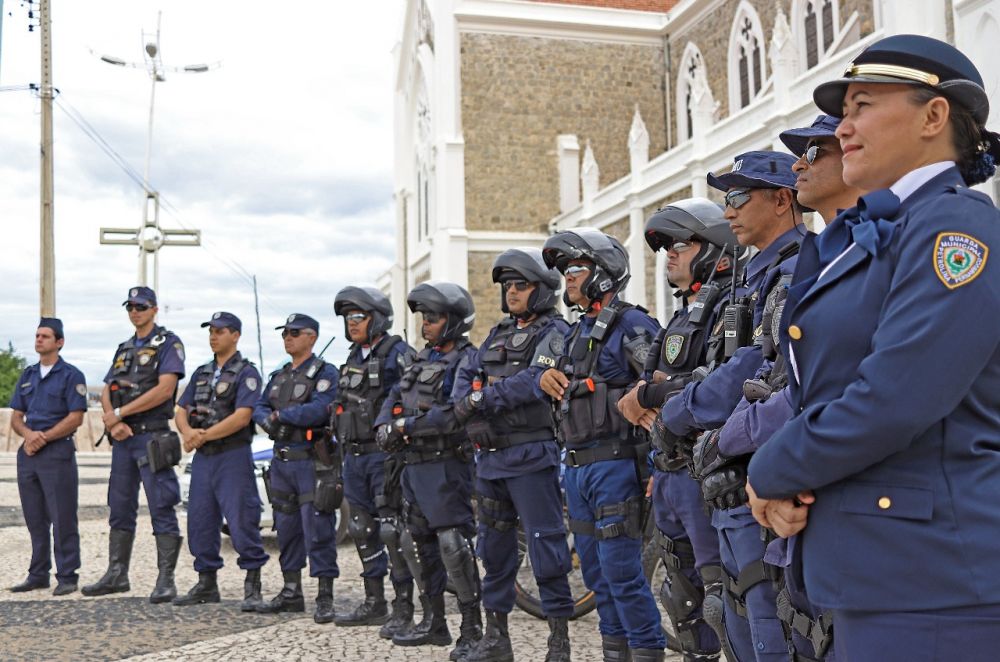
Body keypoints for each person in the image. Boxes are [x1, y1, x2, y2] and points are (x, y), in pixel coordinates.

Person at [747, 34, 1000, 662]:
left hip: (933, 582)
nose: (843, 127)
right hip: (882, 570)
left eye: (861, 106)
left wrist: (771, 471)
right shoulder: (886, 229)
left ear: (933, 116)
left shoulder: (953, 226)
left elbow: (894, 398)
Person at [698, 115, 864, 661]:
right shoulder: (822, 257)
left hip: (823, 483)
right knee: (747, 617)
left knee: (796, 630)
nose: (799, 166)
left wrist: (730, 439)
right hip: (775, 478)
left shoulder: (837, 258)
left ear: (778, 202)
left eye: (813, 153)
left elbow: (813, 388)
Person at [655, 153, 805, 662]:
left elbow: (755, 367)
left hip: (762, 475)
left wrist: (677, 412)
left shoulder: (795, 270)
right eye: (726, 199)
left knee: (771, 622)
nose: (728, 211)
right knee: (731, 613)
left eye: (739, 196)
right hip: (726, 475)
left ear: (782, 200)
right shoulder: (752, 277)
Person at [619, 198, 745, 662]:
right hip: (669, 469)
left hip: (707, 472)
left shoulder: (733, 306)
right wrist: (642, 396)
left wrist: (653, 393)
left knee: (723, 598)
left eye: (682, 244)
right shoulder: (680, 315)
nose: (670, 254)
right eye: (667, 247)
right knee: (681, 596)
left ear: (715, 249)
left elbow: (721, 382)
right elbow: (643, 384)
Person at [538, 228, 665, 662]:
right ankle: (615, 654)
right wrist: (544, 378)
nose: (568, 278)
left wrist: (659, 464)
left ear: (605, 273)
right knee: (596, 577)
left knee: (622, 573)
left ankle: (647, 650)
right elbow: (560, 387)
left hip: (617, 465)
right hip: (577, 469)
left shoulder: (632, 324)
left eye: (576, 268)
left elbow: (660, 387)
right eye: (566, 271)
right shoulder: (575, 332)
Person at [451, 248, 574, 662]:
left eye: (521, 285)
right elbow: (465, 381)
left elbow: (534, 381)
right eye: (507, 286)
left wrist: (480, 400)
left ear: (542, 289)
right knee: (494, 551)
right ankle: (496, 639)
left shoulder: (555, 331)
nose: (512, 292)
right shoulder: (497, 333)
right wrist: (473, 415)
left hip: (531, 457)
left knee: (546, 547)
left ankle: (559, 642)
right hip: (490, 461)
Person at [374, 281, 481, 661]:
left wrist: (405, 427)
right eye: (424, 318)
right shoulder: (420, 360)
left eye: (433, 318)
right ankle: (433, 621)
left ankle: (472, 627)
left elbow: (454, 413)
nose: (426, 325)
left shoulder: (468, 360)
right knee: (413, 541)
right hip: (413, 465)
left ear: (453, 320)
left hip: (446, 465)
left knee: (453, 544)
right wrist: (384, 427)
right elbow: (392, 399)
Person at [83, 287, 186, 603]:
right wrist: (113, 421)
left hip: (152, 436)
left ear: (154, 309)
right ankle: (117, 574)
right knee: (119, 506)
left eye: (141, 306)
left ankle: (166, 580)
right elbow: (107, 388)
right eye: (130, 307)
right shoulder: (124, 348)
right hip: (124, 439)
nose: (134, 312)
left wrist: (121, 413)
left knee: (161, 505)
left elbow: (165, 390)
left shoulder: (168, 344)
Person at [331, 286, 417, 636]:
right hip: (353, 456)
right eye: (347, 317)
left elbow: (414, 398)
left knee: (391, 530)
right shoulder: (352, 357)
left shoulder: (398, 353)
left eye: (358, 317)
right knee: (361, 528)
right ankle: (374, 601)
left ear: (377, 318)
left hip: (385, 457)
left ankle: (404, 606)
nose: (351, 323)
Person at [172, 312, 269, 611]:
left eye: (220, 331)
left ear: (235, 335)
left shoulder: (247, 373)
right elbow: (181, 409)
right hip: (204, 458)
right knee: (200, 519)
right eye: (211, 331)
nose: (213, 336)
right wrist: (188, 432)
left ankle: (252, 584)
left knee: (241, 519)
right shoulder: (201, 372)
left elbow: (242, 417)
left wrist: (202, 436)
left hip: (232, 456)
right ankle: (206, 582)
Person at [252, 314, 340, 623]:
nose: (287, 338)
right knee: (286, 530)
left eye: (294, 332)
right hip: (282, 462)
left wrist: (282, 416)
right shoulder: (279, 375)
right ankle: (291, 592)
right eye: (284, 333)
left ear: (311, 337)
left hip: (311, 461)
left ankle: (325, 597)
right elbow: (260, 407)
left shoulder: (325, 373)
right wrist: (268, 420)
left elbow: (320, 409)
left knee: (318, 529)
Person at [8, 318, 87, 596]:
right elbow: (16, 417)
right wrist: (29, 436)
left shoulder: (71, 375)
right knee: (35, 518)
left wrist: (43, 438)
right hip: (29, 454)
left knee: (63, 516)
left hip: (57, 452)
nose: (39, 340)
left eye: (45, 336)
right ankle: (38, 573)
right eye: (37, 335)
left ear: (59, 342)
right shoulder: (28, 375)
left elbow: (76, 417)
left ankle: (67, 574)